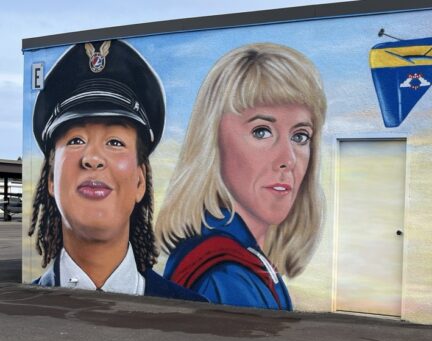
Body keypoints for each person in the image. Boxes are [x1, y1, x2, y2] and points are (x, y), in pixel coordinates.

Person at [28, 39, 206, 302]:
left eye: (115, 142)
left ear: (139, 181)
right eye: (76, 140)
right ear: (51, 179)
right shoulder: (27, 308)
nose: (93, 158)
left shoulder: (193, 310)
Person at [156, 43, 326, 310]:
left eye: (300, 136)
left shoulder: (248, 259)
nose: (288, 159)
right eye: (262, 131)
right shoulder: (224, 278)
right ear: (213, 141)